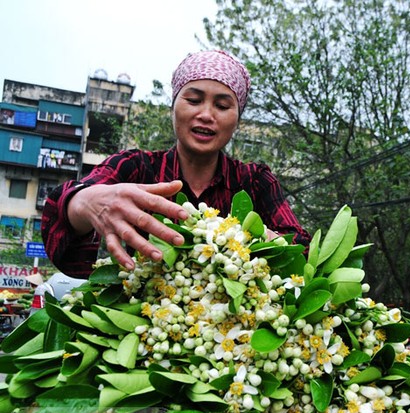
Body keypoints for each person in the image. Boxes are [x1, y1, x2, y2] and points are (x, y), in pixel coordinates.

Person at [42, 50, 311, 278]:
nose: (205, 115)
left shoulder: (254, 181)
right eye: (193, 100)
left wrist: (254, 242)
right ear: (173, 107)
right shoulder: (136, 168)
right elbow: (64, 213)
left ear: (237, 119)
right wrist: (85, 202)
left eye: (222, 105)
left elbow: (300, 249)